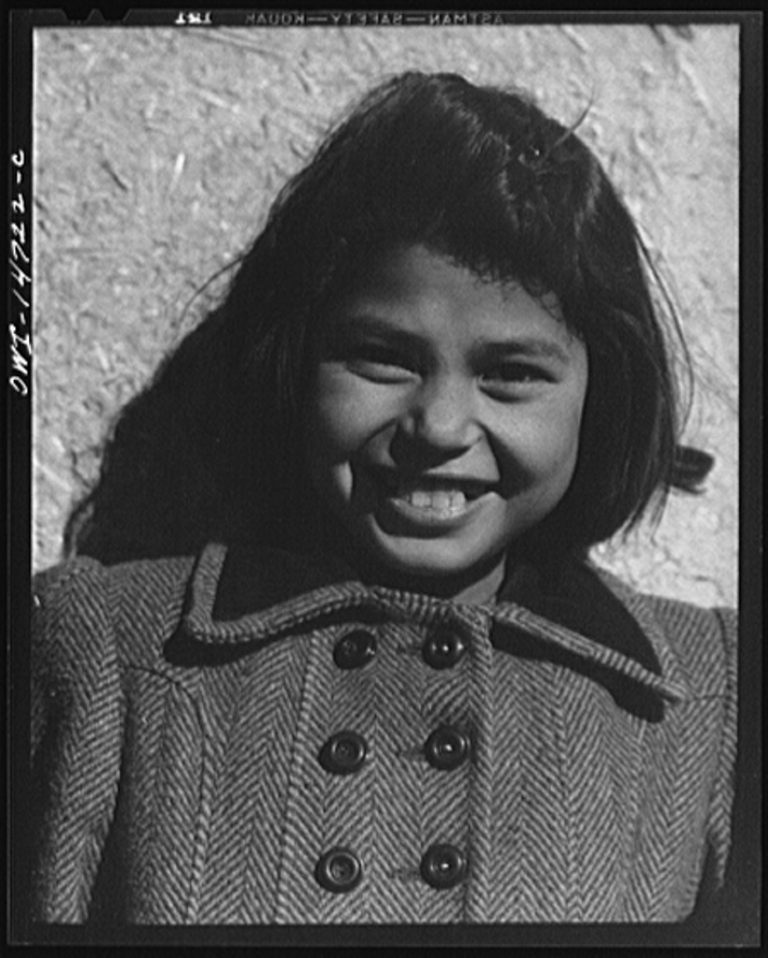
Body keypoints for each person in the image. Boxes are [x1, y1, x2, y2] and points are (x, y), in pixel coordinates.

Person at [30, 71, 737, 925]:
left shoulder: (711, 700)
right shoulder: (112, 650)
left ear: (602, 396)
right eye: (384, 357)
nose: (439, 426)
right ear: (294, 361)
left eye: (511, 373)